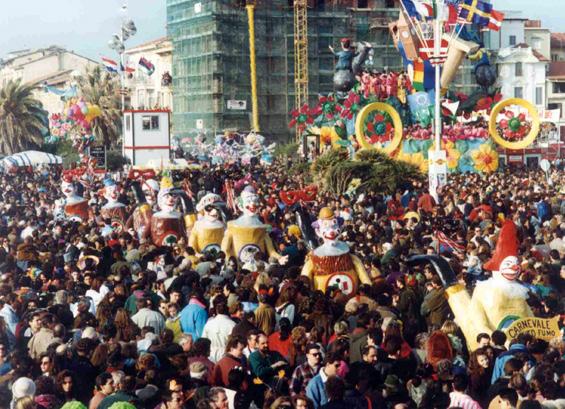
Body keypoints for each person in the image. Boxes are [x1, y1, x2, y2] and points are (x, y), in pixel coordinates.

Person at [202, 296, 236, 363]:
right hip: (225, 354)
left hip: (211, 354)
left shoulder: (209, 323)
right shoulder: (232, 325)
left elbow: (203, 339)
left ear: (217, 311)